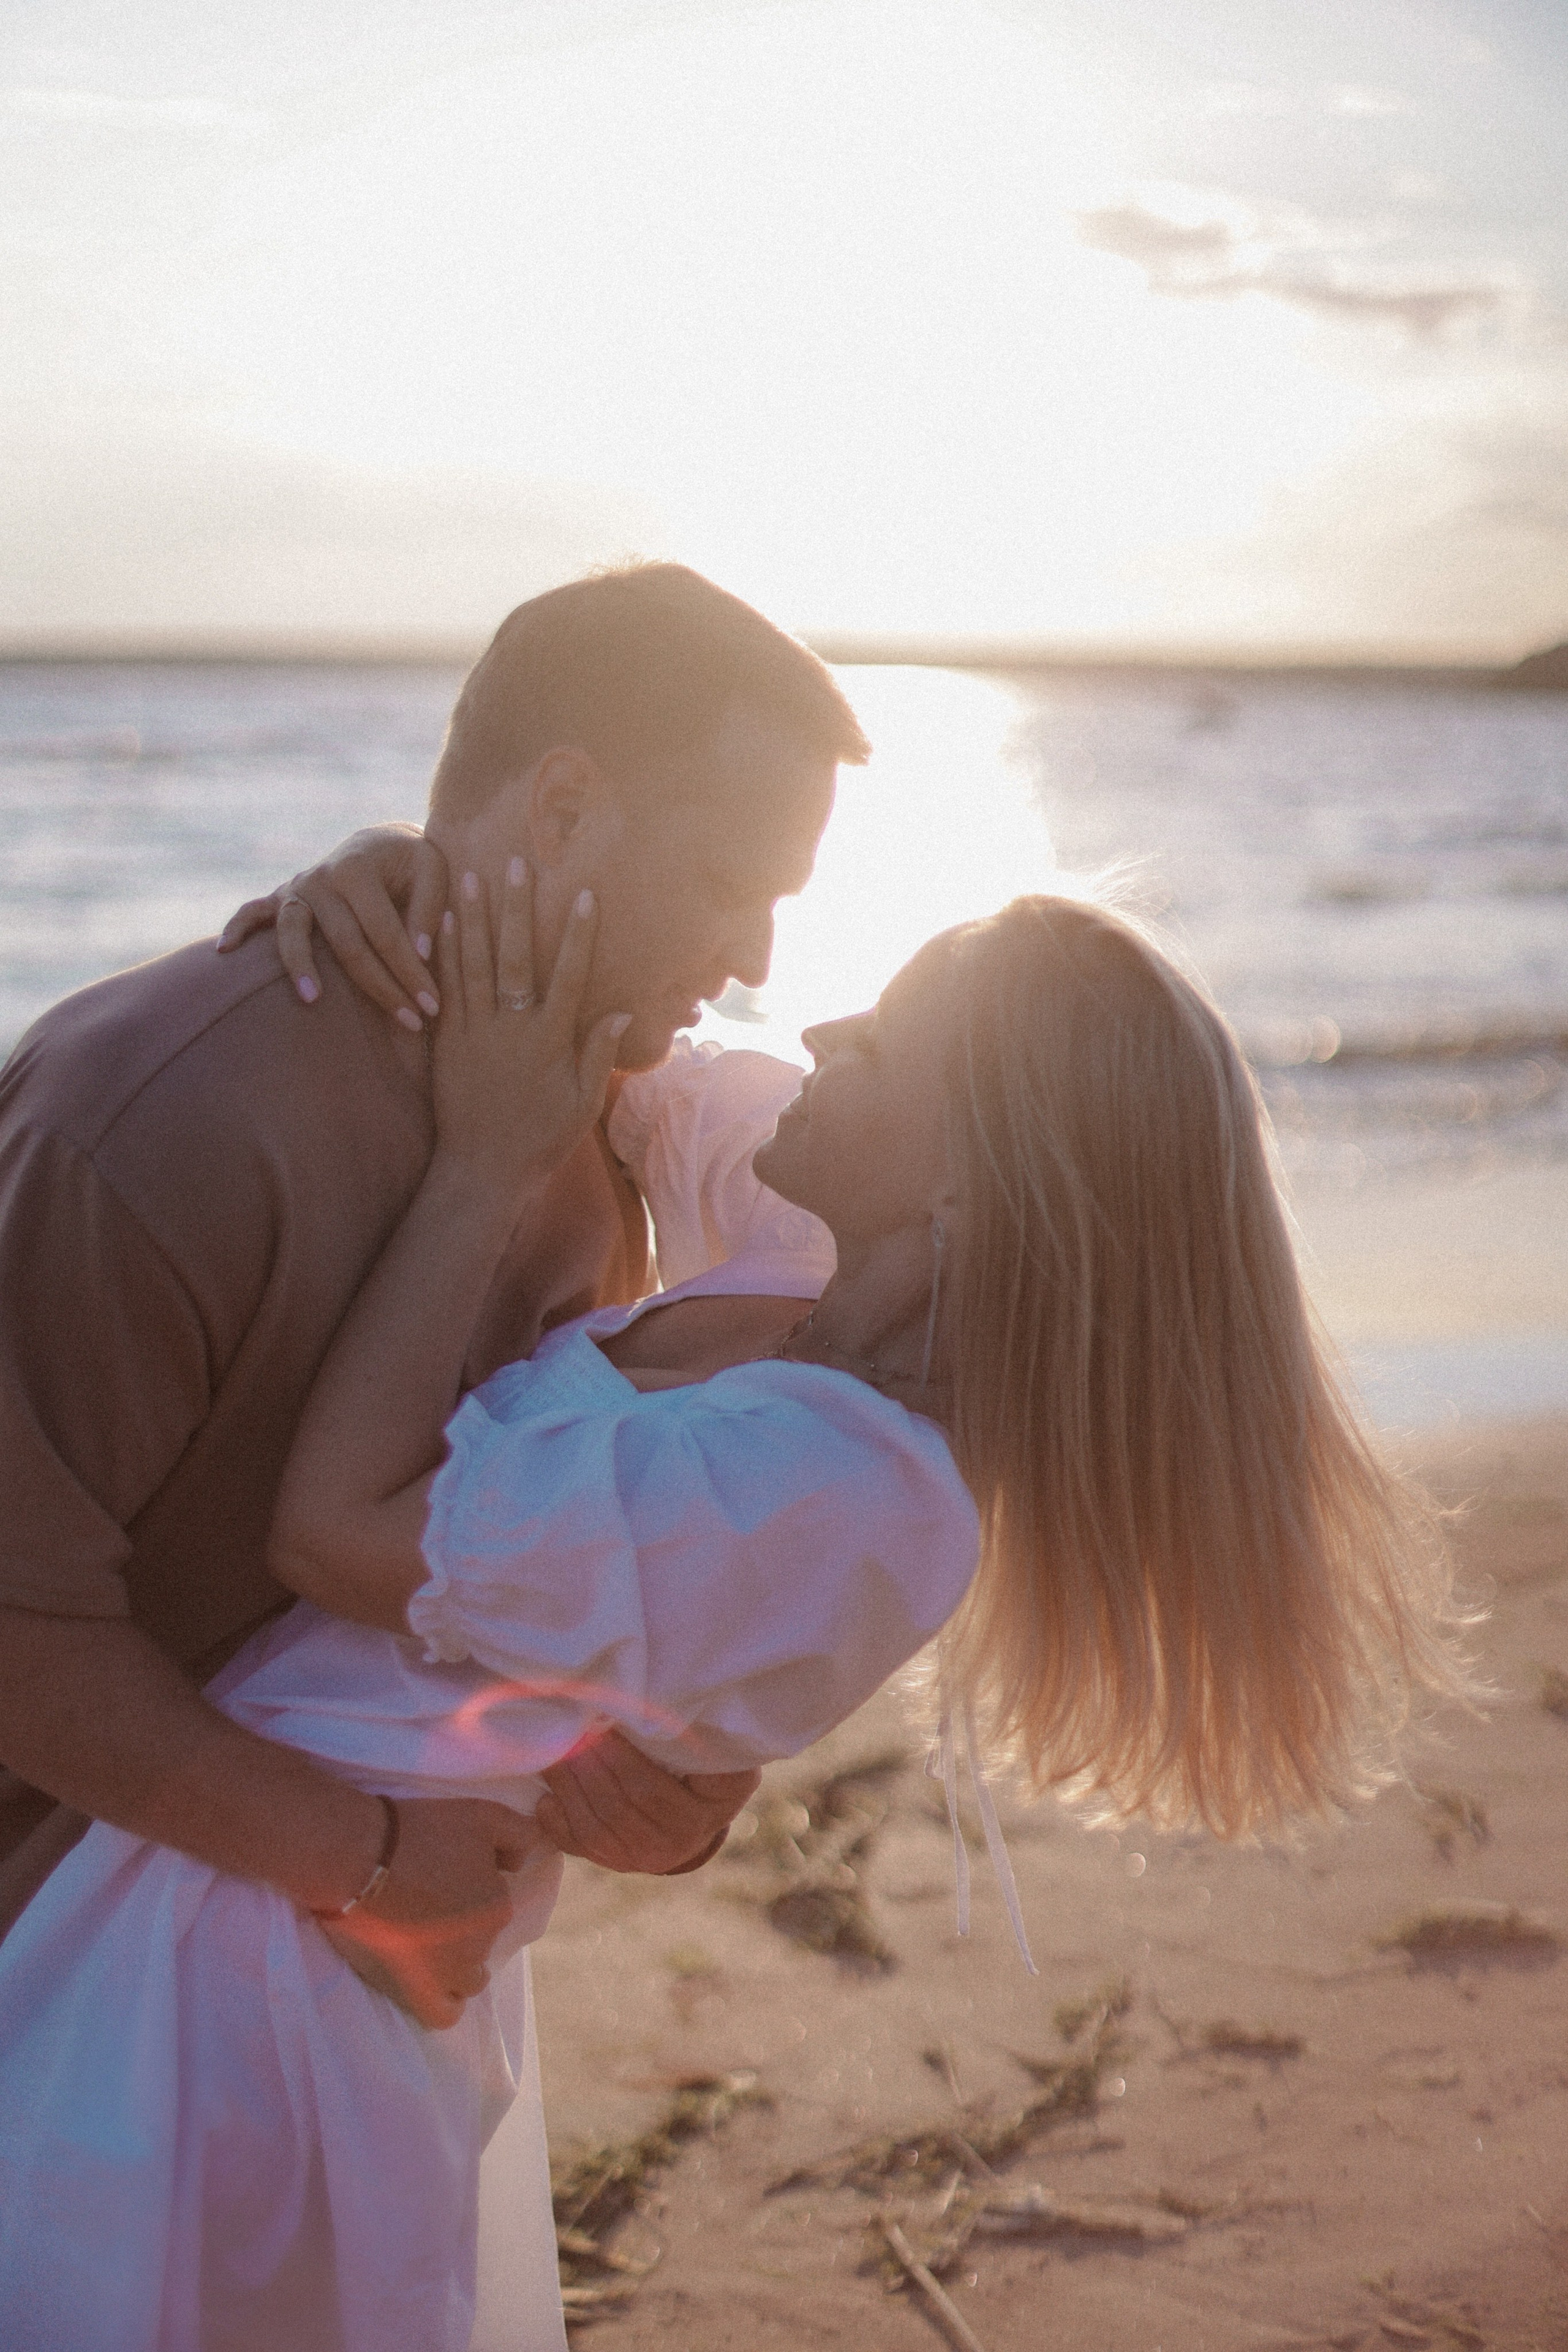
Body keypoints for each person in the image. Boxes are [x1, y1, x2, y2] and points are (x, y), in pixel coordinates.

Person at [0, 864, 1469, 2351]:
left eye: (883, 1045)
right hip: (245, 1873)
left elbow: (338, 1531)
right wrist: (419, 882)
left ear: (972, 1180)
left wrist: (479, 1175)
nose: (821, 1025)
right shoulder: (816, 1243)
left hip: (265, 1988)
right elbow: (608, 1055)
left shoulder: (851, 1491)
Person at [0, 563, 870, 2022]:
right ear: (561, 812)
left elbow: (469, 1569)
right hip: (59, 2001)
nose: (752, 963)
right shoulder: (148, 1125)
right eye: (727, 883)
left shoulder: (615, 1126)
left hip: (317, 2004)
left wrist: (614, 1758)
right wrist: (363, 1857)